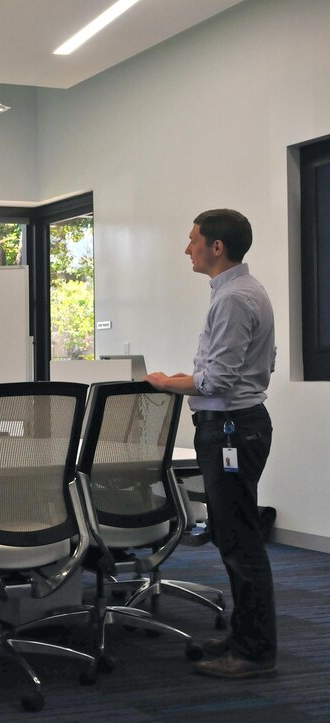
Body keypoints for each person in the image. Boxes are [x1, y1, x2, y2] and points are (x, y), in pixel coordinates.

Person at [146, 209, 277, 679]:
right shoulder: (245, 291)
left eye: (193, 240)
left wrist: (166, 382)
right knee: (234, 536)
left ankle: (254, 651)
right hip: (240, 425)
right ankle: (245, 636)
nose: (187, 249)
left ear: (216, 247)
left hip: (230, 429)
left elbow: (217, 380)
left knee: (240, 542)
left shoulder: (233, 300)